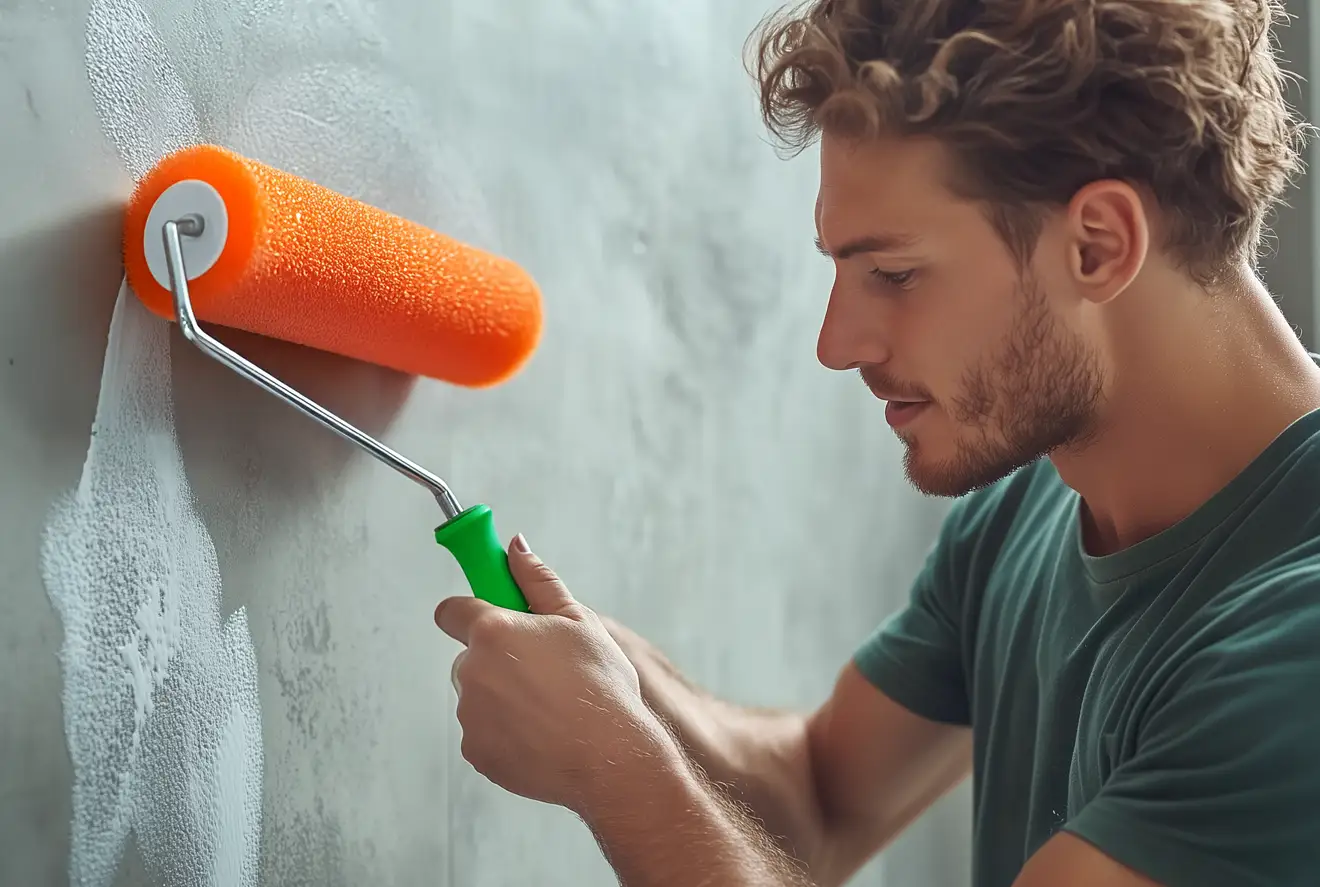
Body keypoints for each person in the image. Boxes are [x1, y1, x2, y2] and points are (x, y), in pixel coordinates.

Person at [433, 1, 1320, 885]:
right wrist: (614, 682)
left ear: (1098, 245)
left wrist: (614, 764)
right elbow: (821, 800)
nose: (836, 343)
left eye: (892, 274)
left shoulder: (1295, 657)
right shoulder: (1034, 501)